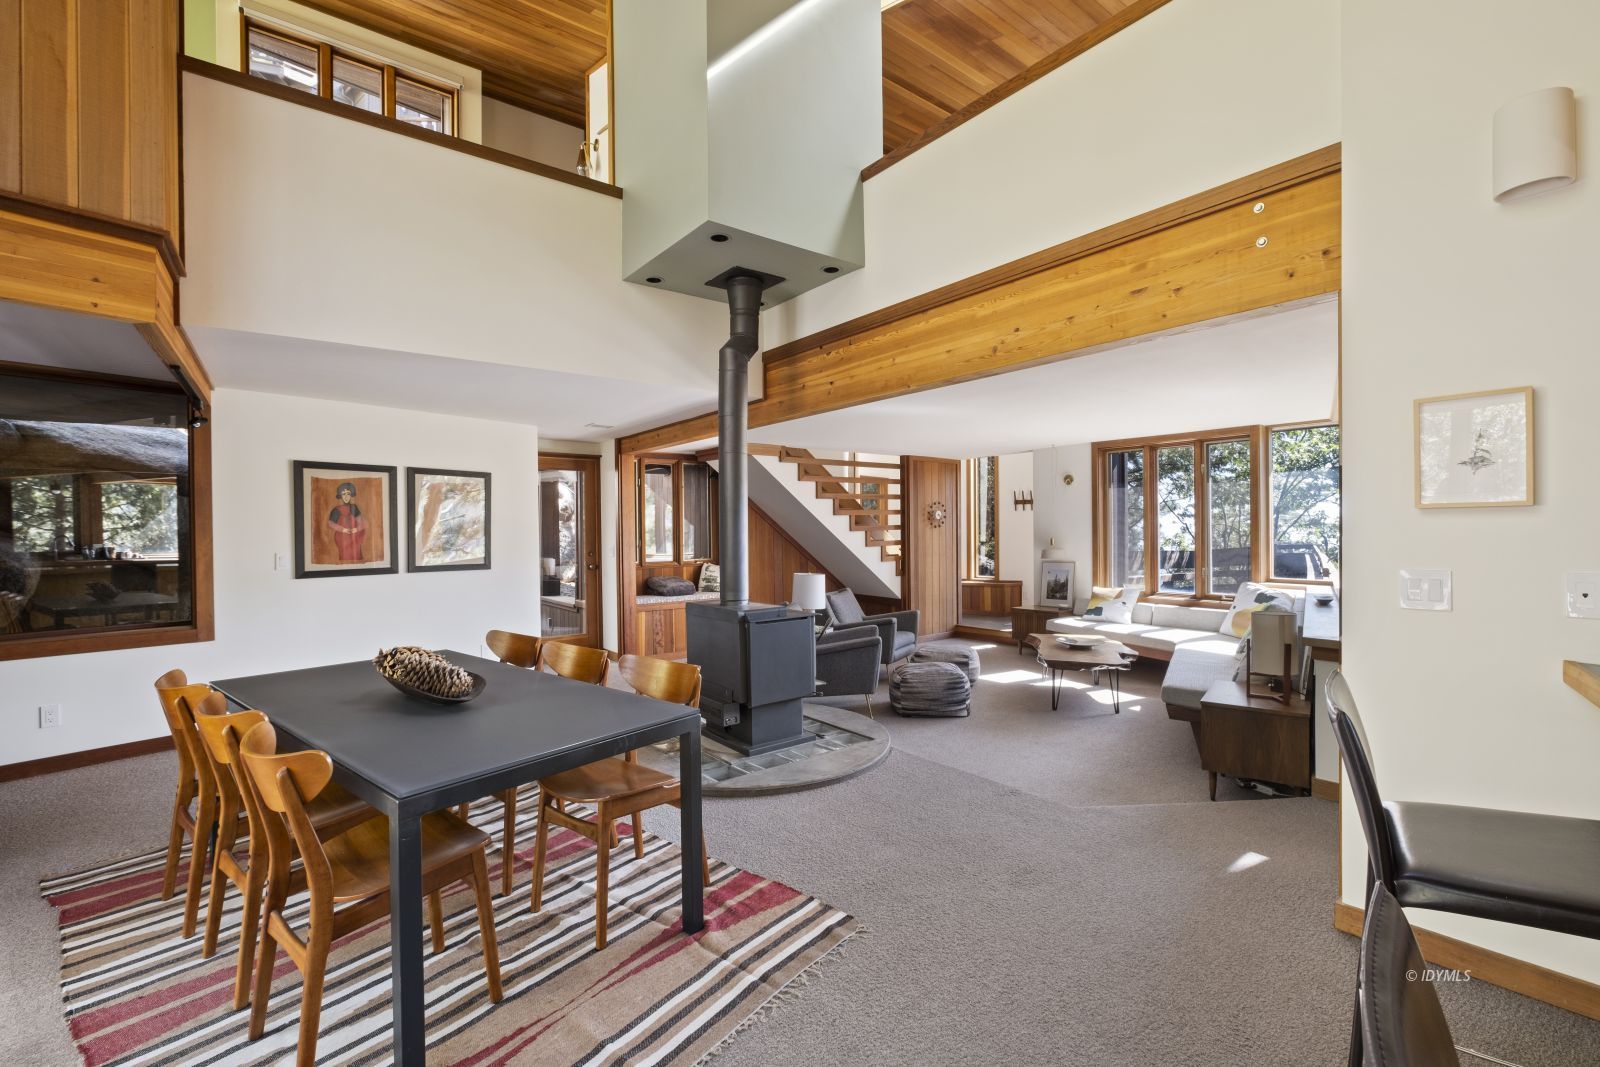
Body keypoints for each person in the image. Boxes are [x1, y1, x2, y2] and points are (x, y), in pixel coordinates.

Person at [326, 482, 368, 562]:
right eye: (343, 494)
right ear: (340, 495)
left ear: (351, 494)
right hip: (342, 538)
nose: (346, 496)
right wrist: (343, 530)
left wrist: (356, 529)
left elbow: (362, 523)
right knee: (345, 558)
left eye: (348, 494)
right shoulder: (336, 510)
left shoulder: (354, 508)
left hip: (354, 538)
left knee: (356, 556)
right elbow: (331, 523)